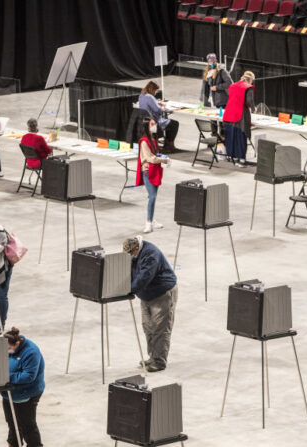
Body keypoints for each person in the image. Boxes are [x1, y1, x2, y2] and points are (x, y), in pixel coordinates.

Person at [123, 236, 178, 372]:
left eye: (131, 253)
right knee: (148, 327)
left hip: (162, 294)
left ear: (137, 248)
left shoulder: (150, 254)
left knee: (160, 329)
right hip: (146, 296)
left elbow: (144, 277)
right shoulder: (133, 253)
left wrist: (128, 290)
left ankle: (159, 362)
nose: (130, 256)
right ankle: (153, 357)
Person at [1, 327, 44, 447]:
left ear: (17, 343)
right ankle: (13, 444)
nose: (7, 351)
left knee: (27, 426)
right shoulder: (7, 346)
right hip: (9, 392)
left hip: (27, 393)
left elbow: (29, 376)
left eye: (9, 348)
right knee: (12, 423)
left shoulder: (31, 352)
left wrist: (5, 376)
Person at [136, 118, 169, 234]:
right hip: (148, 171)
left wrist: (162, 157)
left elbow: (156, 154)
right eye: (152, 124)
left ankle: (152, 219)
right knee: (153, 196)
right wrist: (163, 160)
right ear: (146, 126)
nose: (155, 126)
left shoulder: (153, 139)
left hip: (156, 170)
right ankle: (148, 222)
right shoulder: (144, 141)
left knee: (152, 197)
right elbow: (150, 158)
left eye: (154, 124)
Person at [222, 71, 256, 167]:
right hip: (241, 115)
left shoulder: (233, 86)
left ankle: (235, 158)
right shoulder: (247, 87)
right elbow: (249, 100)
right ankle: (241, 160)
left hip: (229, 113)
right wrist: (254, 108)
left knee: (233, 136)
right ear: (250, 79)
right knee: (241, 136)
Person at [138, 81, 179, 152]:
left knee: (169, 123)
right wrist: (163, 107)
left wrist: (156, 103)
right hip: (153, 121)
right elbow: (158, 110)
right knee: (174, 124)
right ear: (152, 89)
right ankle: (170, 144)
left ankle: (167, 144)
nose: (156, 93)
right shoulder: (150, 97)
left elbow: (149, 106)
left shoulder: (141, 95)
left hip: (144, 120)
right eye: (156, 91)